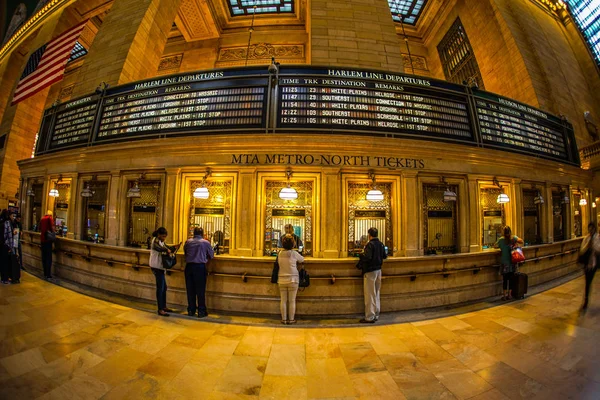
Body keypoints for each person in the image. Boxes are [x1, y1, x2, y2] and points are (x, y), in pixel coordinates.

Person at [358, 227, 387, 323]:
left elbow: (368, 257)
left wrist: (361, 255)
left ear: (369, 235)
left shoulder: (370, 245)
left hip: (370, 271)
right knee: (377, 292)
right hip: (379, 270)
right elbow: (384, 256)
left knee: (370, 294)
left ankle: (370, 316)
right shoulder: (381, 244)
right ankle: (376, 314)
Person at [184, 227, 214, 318]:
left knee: (190, 290)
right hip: (200, 267)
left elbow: (185, 253)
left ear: (193, 233)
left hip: (189, 267)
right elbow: (211, 255)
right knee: (200, 290)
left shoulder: (188, 242)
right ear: (203, 233)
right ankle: (201, 311)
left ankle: (191, 310)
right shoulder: (206, 243)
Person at [149, 227, 180, 316]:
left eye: (165, 236)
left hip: (160, 267)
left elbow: (166, 247)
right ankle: (160, 309)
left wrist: (174, 247)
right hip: (156, 267)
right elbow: (158, 248)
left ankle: (164, 306)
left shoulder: (161, 241)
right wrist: (166, 250)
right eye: (163, 236)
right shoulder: (154, 241)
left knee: (164, 287)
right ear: (158, 235)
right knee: (160, 288)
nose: (164, 238)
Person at [277, 234, 304, 324]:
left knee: (283, 300)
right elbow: (302, 260)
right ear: (293, 244)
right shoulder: (294, 253)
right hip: (293, 279)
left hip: (281, 279)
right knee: (292, 300)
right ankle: (291, 319)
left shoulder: (280, 254)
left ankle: (284, 319)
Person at [496, 226, 524, 301]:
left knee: (505, 279)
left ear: (503, 232)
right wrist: (515, 240)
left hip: (504, 263)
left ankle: (504, 296)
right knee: (511, 279)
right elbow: (521, 241)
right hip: (512, 262)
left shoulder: (501, 240)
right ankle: (509, 295)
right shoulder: (513, 238)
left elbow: (495, 246)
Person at [580, 222, 600, 310]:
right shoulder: (586, 238)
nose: (590, 230)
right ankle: (586, 301)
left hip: (595, 263)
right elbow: (581, 250)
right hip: (587, 264)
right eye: (589, 229)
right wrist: (587, 246)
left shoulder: (598, 237)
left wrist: (594, 246)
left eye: (592, 229)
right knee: (588, 282)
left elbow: (599, 249)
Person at [39, 210, 56, 280]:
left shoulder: (42, 219)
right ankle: (48, 274)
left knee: (44, 257)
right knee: (49, 258)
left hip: (42, 240)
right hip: (48, 241)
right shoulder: (49, 218)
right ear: (50, 215)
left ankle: (45, 273)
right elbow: (52, 228)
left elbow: (39, 228)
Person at [0, 210, 10, 284]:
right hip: (5, 245)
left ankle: (2, 278)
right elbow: (7, 235)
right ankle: (5, 278)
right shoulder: (6, 223)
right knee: (5, 262)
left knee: (1, 261)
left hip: (0, 245)